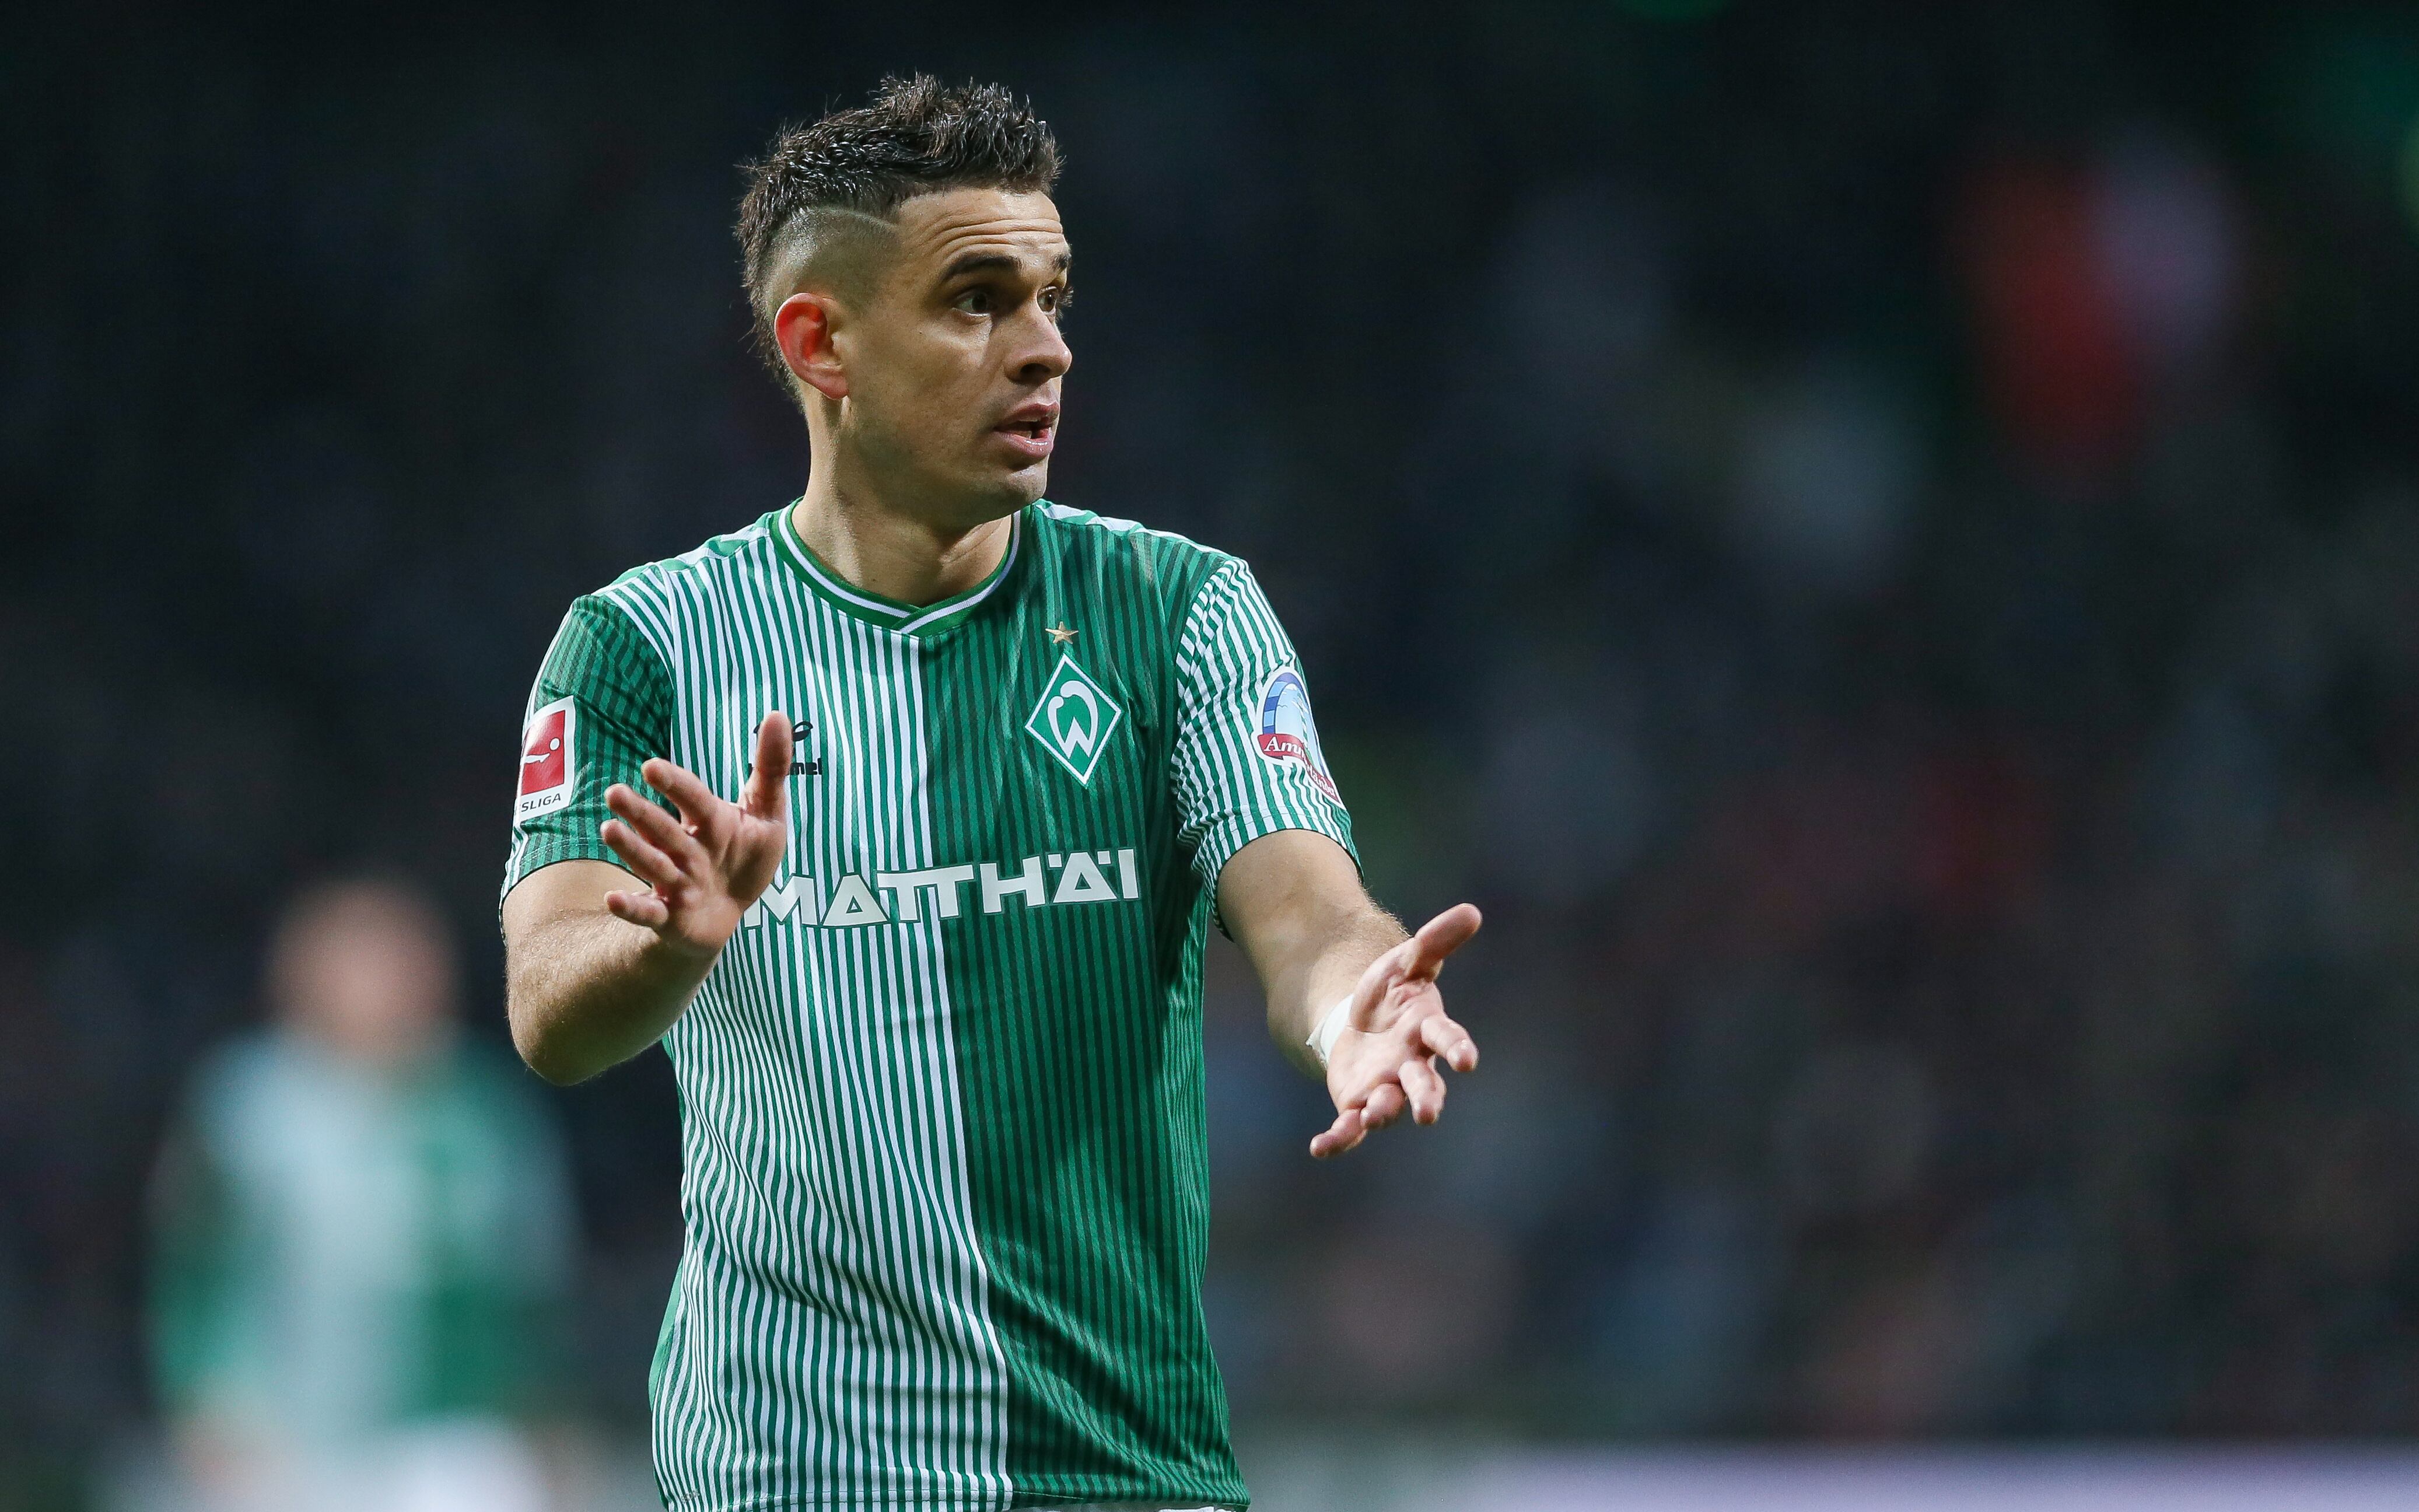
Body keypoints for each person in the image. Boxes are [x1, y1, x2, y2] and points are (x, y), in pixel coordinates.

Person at [499, 75, 1482, 1512]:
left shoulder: (1179, 611)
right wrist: (666, 946)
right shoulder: (643, 645)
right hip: (785, 1479)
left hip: (1121, 1475)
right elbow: (547, 1008)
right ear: (819, 341)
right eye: (977, 300)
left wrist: (1352, 1007)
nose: (1046, 351)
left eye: (1053, 297)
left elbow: (1308, 912)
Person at [150, 878, 575, 1512]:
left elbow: (531, 1279)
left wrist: (544, 1409)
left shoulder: (480, 1108)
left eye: (404, 961)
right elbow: (195, 1263)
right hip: (277, 1435)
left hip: (448, 1431)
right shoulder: (248, 1104)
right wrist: (200, 1395)